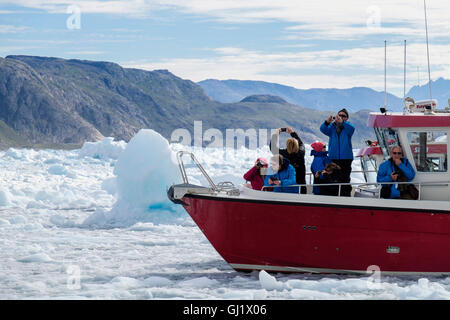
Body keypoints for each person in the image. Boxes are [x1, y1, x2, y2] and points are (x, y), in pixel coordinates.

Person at [320, 108, 355, 196]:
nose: (341, 117)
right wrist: (327, 122)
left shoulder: (348, 127)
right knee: (333, 177)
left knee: (345, 178)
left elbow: (352, 129)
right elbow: (323, 129)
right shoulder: (332, 127)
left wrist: (342, 122)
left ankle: (346, 195)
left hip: (346, 158)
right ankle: (334, 195)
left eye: (344, 116)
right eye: (339, 115)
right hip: (334, 157)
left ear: (347, 118)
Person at [270, 126, 306, 194]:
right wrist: (292, 133)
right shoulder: (301, 152)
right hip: (301, 185)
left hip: (287, 186)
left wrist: (276, 135)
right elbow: (301, 143)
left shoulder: (283, 154)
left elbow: (273, 148)